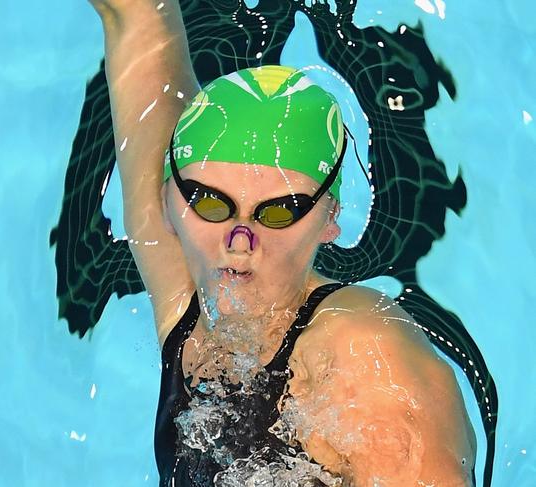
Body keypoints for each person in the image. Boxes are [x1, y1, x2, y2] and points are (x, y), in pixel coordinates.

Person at [89, 0, 476, 485]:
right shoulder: (189, 301)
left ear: (330, 218)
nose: (239, 239)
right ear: (168, 201)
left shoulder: (367, 357)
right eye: (211, 203)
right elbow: (134, 14)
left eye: (279, 211)